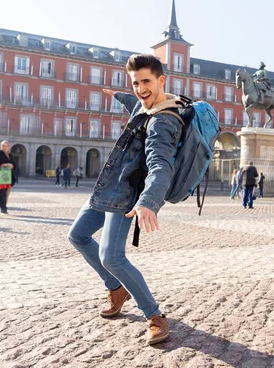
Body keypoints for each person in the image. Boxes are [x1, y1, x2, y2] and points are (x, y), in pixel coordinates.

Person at [68, 54, 183, 346]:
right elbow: (134, 103)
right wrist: (119, 94)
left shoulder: (163, 121)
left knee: (112, 256)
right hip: (108, 187)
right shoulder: (143, 105)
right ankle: (116, 289)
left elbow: (160, 165)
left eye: (146, 82)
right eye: (135, 83)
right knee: (78, 235)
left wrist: (148, 202)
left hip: (127, 196)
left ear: (161, 81)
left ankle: (155, 315)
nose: (140, 88)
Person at [0, 141, 17, 215]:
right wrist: (4, 165)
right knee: (2, 193)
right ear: (1, 146)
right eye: (3, 146)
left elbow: (14, 165)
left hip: (8, 177)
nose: (5, 147)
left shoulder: (10, 154)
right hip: (1, 176)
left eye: (6, 146)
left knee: (5, 193)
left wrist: (12, 166)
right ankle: (3, 209)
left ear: (8, 146)